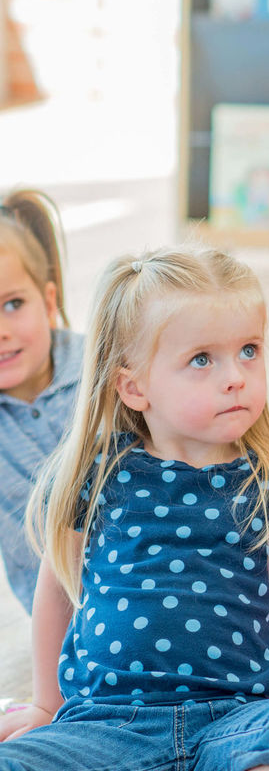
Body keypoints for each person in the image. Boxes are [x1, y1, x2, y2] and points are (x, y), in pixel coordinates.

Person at [0, 247, 269, 771]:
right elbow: (56, 588)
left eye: (248, 350)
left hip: (239, 724)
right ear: (134, 387)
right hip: (107, 727)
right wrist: (44, 704)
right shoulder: (97, 473)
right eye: (202, 359)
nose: (235, 376)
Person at [0, 190, 78, 616]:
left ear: (48, 303)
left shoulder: (105, 369)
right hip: (67, 635)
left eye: (12, 305)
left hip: (165, 580)